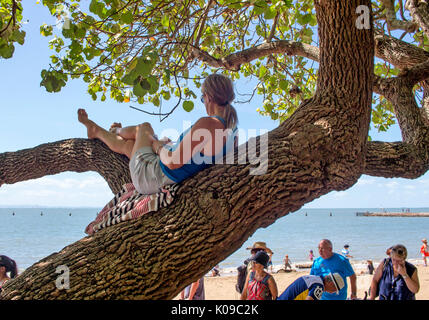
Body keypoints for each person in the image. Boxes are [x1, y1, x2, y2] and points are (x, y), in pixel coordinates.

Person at [78, 73, 238, 195]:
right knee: (129, 146)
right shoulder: (233, 133)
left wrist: (159, 146)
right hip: (164, 178)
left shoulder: (209, 123)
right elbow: (200, 157)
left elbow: (173, 162)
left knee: (144, 128)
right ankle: (98, 131)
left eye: (202, 98)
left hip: (153, 177)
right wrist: (172, 145)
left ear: (208, 97)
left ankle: (115, 130)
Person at [277, 273, 345, 300]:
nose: (331, 293)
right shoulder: (319, 287)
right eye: (334, 290)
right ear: (331, 284)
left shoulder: (314, 278)